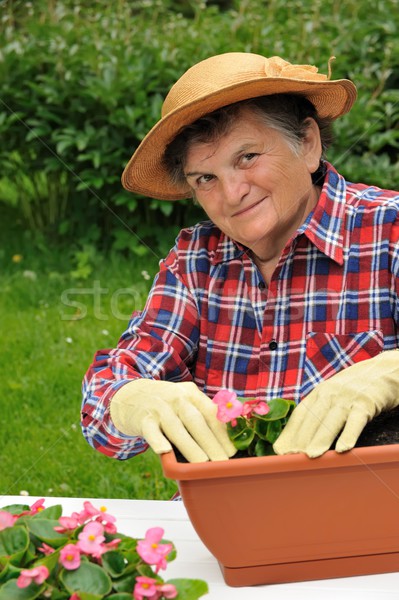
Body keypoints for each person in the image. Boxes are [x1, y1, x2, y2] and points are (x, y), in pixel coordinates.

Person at [81, 52, 399, 464]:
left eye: (247, 157)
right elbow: (106, 411)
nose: (232, 195)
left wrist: (390, 372)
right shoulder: (196, 259)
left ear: (307, 144)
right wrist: (129, 398)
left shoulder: (389, 230)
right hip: (223, 515)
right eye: (206, 179)